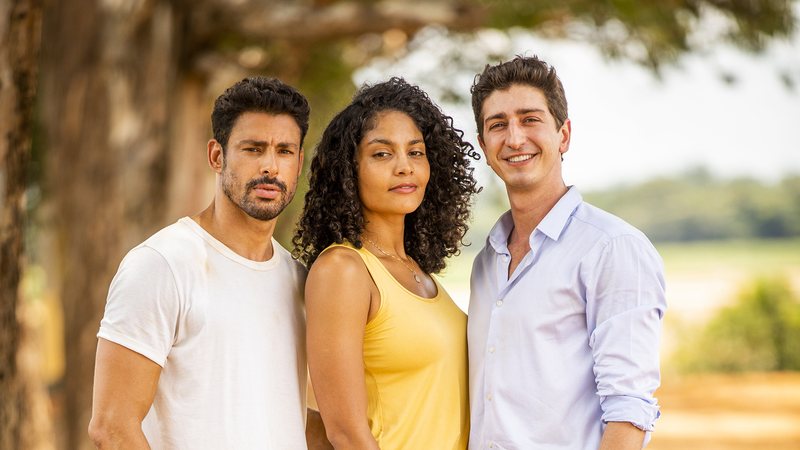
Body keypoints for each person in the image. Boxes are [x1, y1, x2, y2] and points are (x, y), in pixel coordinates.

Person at [89, 76, 322, 449]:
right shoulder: (162, 264)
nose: (270, 167)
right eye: (253, 149)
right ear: (217, 155)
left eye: (284, 151)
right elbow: (112, 427)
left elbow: (280, 414)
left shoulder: (299, 279)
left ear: (299, 163)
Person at [467, 55, 667, 450]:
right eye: (498, 125)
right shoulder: (486, 262)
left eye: (530, 119)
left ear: (564, 135)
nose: (514, 138)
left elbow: (629, 413)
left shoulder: (612, 248)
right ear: (484, 147)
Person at [293, 77, 479, 450]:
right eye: (382, 154)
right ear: (349, 170)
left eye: (415, 152)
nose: (404, 167)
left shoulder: (418, 272)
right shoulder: (344, 270)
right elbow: (346, 433)